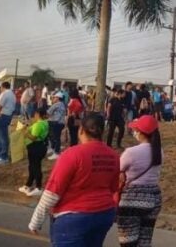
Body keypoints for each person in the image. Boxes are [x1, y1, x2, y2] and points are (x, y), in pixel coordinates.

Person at [28, 113, 119, 245]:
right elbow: (113, 188)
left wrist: (36, 221)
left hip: (73, 217)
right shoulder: (113, 155)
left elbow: (53, 192)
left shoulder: (72, 154)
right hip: (104, 214)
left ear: (81, 130)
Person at [116, 116, 163, 247]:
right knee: (145, 241)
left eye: (136, 130)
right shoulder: (159, 151)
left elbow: (117, 170)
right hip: (153, 197)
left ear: (141, 133)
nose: (134, 132)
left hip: (132, 198)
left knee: (128, 242)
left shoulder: (131, 152)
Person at [19, 108, 49, 197]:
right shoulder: (45, 123)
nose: (34, 116)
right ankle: (28, 185)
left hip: (35, 147)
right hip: (41, 146)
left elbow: (33, 137)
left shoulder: (38, 125)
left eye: (35, 114)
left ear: (38, 114)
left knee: (35, 167)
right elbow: (31, 128)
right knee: (32, 166)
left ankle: (39, 187)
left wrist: (24, 132)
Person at [47, 93, 66, 161]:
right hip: (60, 123)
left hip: (56, 123)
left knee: (55, 137)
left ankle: (56, 152)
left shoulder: (56, 104)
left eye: (54, 97)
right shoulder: (62, 104)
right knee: (54, 137)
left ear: (58, 98)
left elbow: (48, 112)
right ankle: (53, 149)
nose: (53, 98)